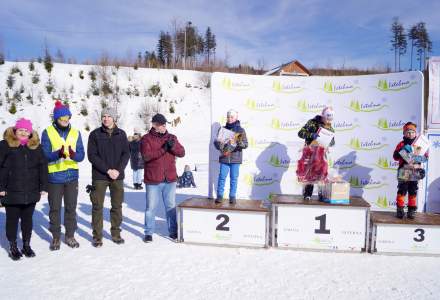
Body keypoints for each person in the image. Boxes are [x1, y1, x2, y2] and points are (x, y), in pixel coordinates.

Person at [0, 118, 48, 260]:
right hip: (11, 191)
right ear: (15, 130)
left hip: (31, 191)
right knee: (12, 220)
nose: (23, 132)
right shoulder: (5, 145)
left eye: (26, 130)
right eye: (20, 129)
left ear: (30, 133)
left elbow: (43, 167)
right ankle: (13, 245)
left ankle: (26, 244)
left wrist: (43, 186)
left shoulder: (36, 147)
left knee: (27, 220)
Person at [41, 100, 85, 250]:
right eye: (62, 119)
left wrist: (73, 155)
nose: (65, 122)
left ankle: (70, 235)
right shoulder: (47, 132)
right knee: (54, 208)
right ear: (56, 119)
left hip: (72, 177)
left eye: (67, 119)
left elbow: (81, 156)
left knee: (71, 208)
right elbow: (45, 155)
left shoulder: (75, 133)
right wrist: (57, 154)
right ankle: (55, 237)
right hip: (54, 178)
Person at [87, 107, 130, 247]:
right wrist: (107, 170)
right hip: (100, 176)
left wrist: (117, 170)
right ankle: (97, 236)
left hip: (117, 177)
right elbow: (92, 156)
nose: (106, 118)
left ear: (114, 118)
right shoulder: (94, 134)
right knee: (97, 206)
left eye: (109, 116)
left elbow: (126, 154)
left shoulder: (121, 134)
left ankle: (116, 233)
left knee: (117, 206)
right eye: (104, 116)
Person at [141, 113, 185, 242]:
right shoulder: (146, 139)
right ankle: (148, 232)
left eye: (165, 124)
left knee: (171, 206)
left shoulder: (172, 137)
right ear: (154, 125)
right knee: (151, 207)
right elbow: (146, 156)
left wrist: (173, 146)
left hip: (169, 179)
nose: (164, 126)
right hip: (153, 180)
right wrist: (164, 149)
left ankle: (173, 231)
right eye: (161, 124)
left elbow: (182, 152)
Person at [297, 106, 335, 200]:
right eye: (327, 119)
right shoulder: (312, 122)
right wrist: (311, 135)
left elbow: (333, 142)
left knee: (322, 174)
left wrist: (329, 141)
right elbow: (300, 133)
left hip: (321, 153)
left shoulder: (330, 127)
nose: (328, 121)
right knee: (309, 173)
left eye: (330, 119)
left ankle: (322, 195)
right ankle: (307, 194)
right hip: (310, 152)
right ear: (322, 116)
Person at [393, 122, 428, 219]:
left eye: (412, 132)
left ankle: (411, 210)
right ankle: (400, 209)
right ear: (404, 133)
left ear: (415, 133)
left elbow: (425, 158)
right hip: (404, 170)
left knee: (413, 190)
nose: (410, 134)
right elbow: (395, 157)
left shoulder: (418, 144)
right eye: (408, 132)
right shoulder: (401, 144)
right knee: (402, 190)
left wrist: (421, 157)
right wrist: (401, 151)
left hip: (415, 170)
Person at [213, 109, 248, 204]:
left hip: (235, 159)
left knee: (234, 178)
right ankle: (219, 195)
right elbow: (216, 142)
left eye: (231, 117)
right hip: (224, 158)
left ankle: (232, 196)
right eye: (228, 117)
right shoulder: (222, 129)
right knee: (222, 177)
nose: (229, 119)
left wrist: (239, 143)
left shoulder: (240, 130)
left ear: (236, 118)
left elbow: (245, 144)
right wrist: (219, 144)